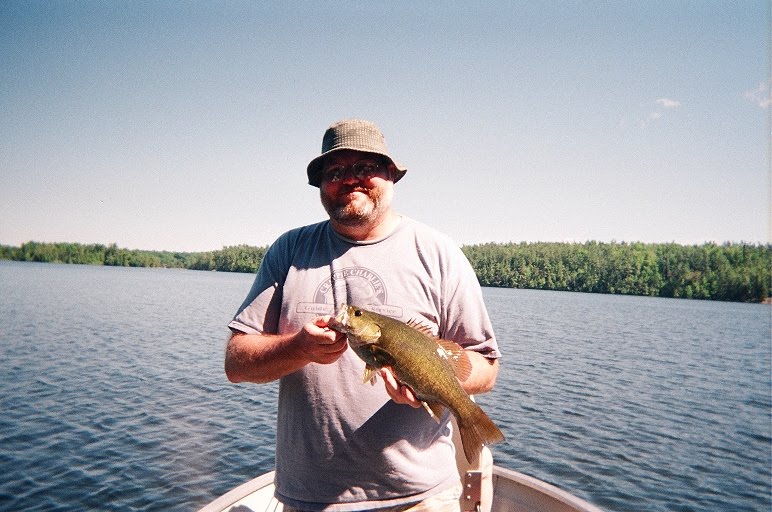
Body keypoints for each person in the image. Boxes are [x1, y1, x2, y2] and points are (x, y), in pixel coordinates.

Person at [225, 119, 501, 512]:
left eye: (364, 167)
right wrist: (299, 347)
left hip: (420, 497)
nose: (349, 179)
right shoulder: (289, 251)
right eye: (335, 171)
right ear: (321, 185)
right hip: (310, 498)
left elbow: (487, 368)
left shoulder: (439, 254)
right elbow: (236, 363)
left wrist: (428, 379)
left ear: (390, 175)